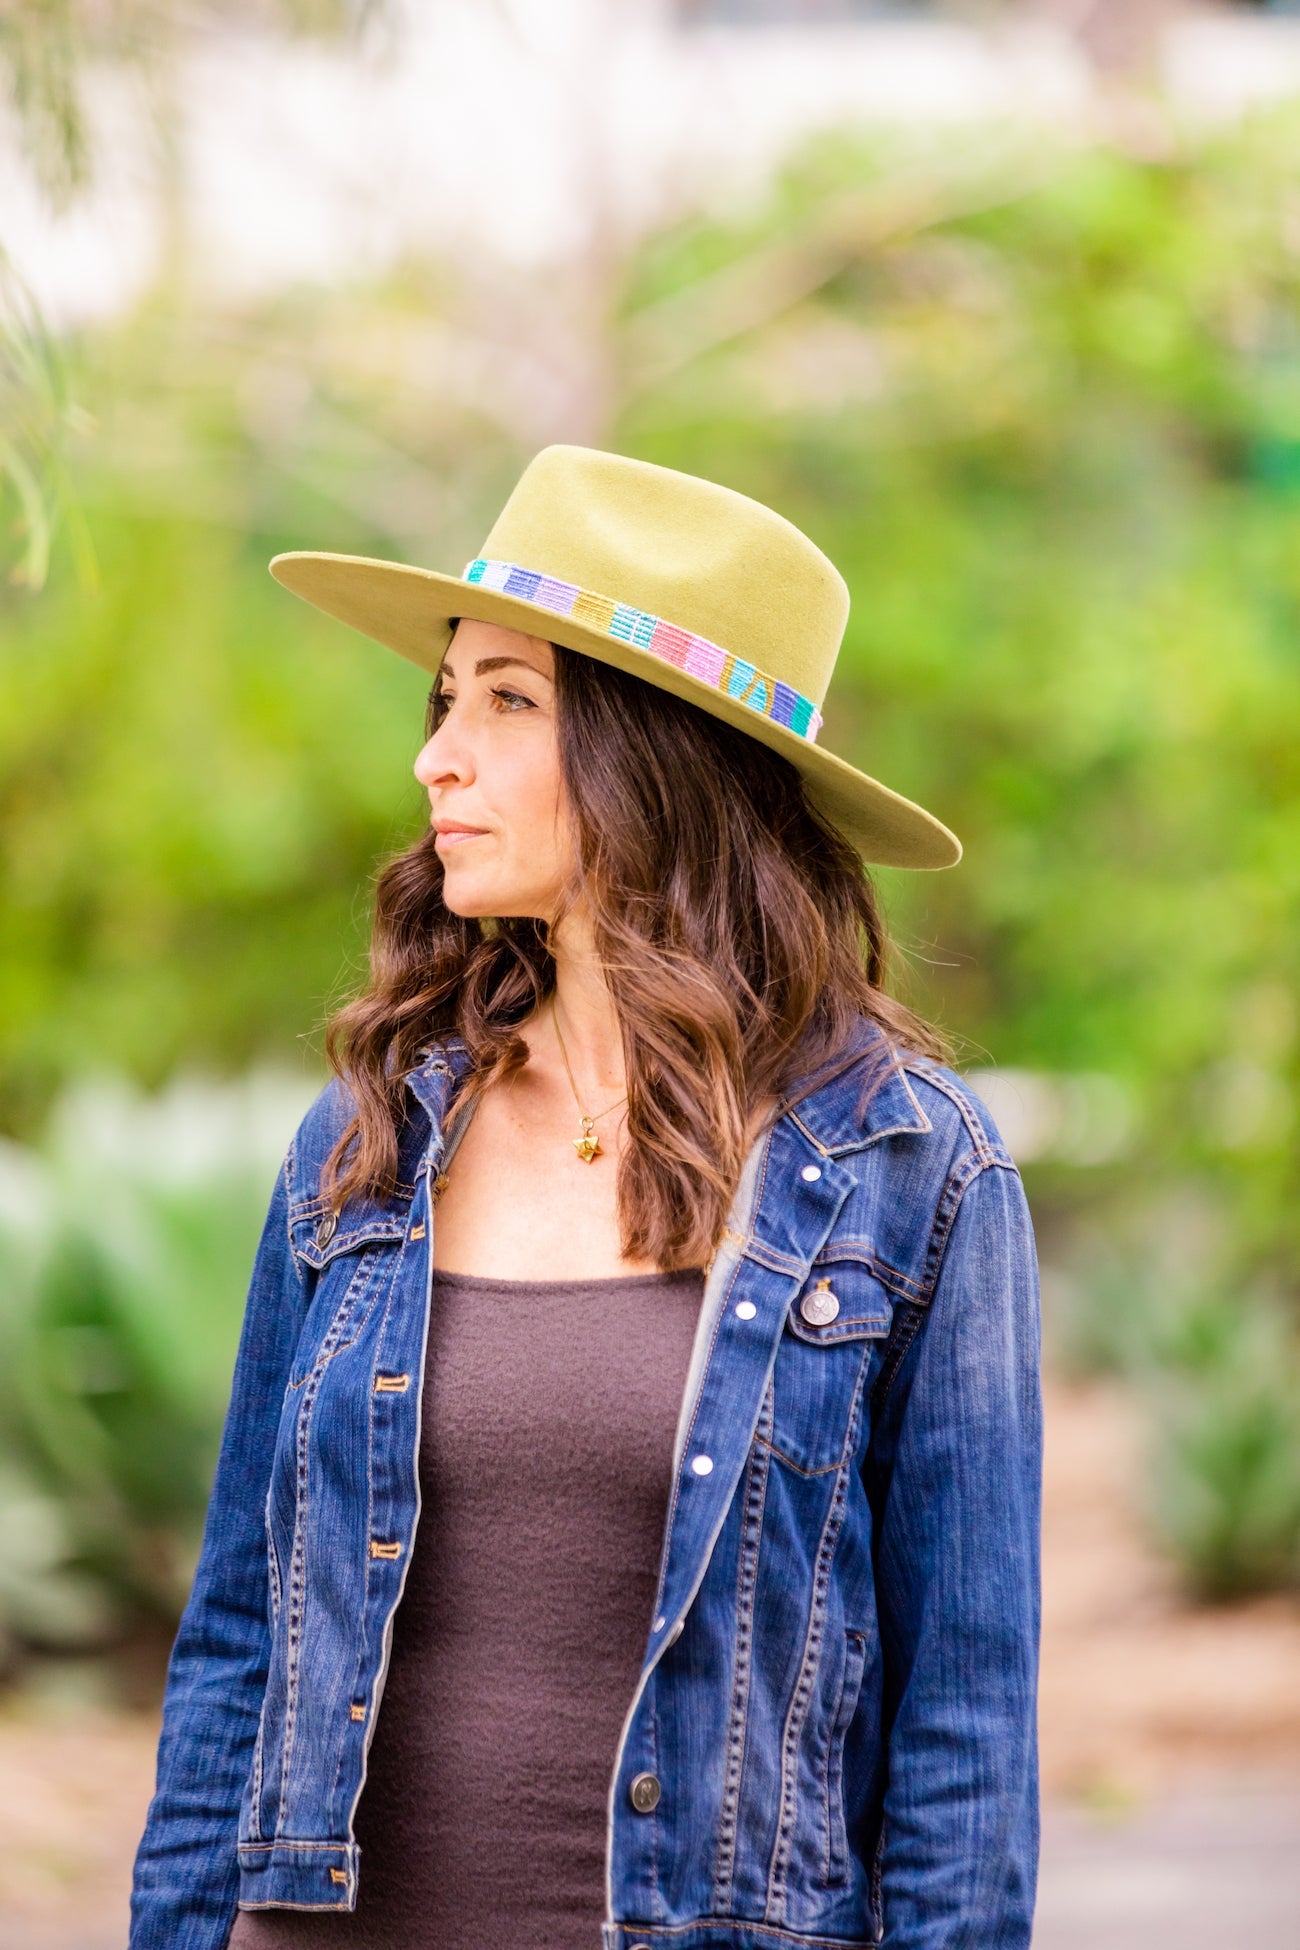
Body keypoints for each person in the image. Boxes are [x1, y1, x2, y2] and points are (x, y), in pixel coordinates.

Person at [129, 444, 1041, 1950]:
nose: (437, 755)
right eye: (446, 697)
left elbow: (962, 1742)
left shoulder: (911, 1173)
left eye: (506, 699)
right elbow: (237, 1637)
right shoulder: (365, 1142)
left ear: (655, 754)